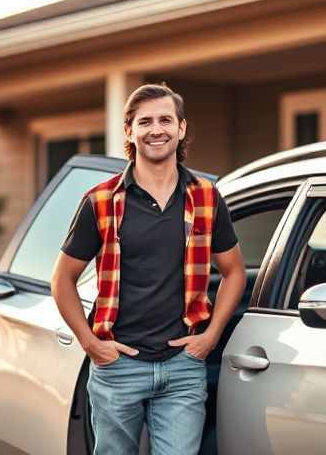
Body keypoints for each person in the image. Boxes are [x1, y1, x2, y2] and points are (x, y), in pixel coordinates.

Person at [51, 83, 246, 455]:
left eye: (165, 120)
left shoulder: (206, 198)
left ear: (181, 128)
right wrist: (91, 344)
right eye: (145, 122)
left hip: (183, 368)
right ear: (129, 131)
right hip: (117, 368)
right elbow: (62, 280)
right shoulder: (100, 202)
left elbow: (234, 271)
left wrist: (211, 336)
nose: (156, 129)